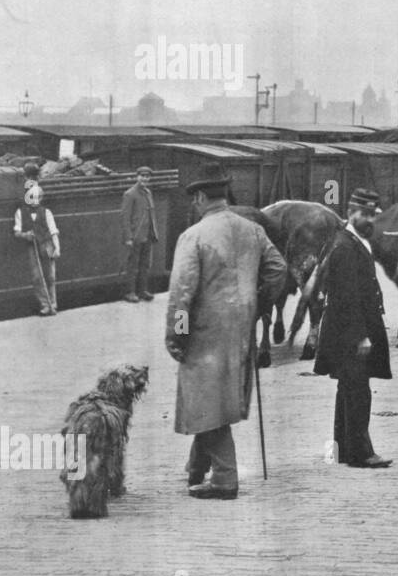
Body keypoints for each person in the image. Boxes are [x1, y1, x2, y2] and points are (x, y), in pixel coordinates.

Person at [166, 171, 286, 500]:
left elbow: (181, 293)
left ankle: (224, 478)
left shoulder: (193, 236)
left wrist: (176, 336)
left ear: (201, 199)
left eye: (195, 200)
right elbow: (278, 269)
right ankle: (196, 469)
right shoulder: (253, 230)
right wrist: (258, 302)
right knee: (213, 397)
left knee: (207, 398)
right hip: (242, 328)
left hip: (206, 331)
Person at [314, 188, 393, 468]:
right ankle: (361, 454)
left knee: (348, 388)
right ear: (350, 213)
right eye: (365, 214)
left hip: (345, 330)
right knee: (358, 391)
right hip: (350, 332)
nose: (370, 219)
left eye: (373, 214)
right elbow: (347, 296)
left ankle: (342, 450)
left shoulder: (354, 241)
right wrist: (361, 336)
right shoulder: (346, 246)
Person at [13, 183, 60, 316]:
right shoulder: (20, 212)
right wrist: (25, 235)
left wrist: (57, 248)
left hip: (47, 245)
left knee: (50, 276)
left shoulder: (46, 212)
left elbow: (53, 232)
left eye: (37, 197)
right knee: (37, 277)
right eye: (32, 197)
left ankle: (53, 304)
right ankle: (45, 305)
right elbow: (16, 232)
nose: (35, 200)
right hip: (32, 247)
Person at [121, 166, 159, 302]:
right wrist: (128, 237)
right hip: (135, 236)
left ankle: (142, 291)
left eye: (147, 176)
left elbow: (151, 214)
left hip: (147, 235)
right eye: (142, 176)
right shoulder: (130, 194)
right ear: (137, 177)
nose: (145, 178)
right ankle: (130, 292)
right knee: (132, 265)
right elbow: (125, 217)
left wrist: (153, 232)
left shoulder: (148, 192)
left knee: (144, 264)